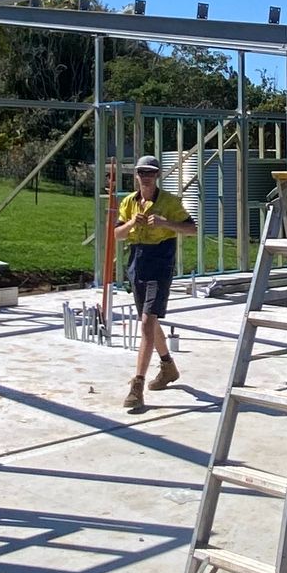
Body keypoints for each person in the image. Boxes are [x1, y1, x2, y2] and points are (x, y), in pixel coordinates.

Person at [115, 153, 195, 413]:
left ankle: (137, 385)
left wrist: (164, 223)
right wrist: (131, 223)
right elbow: (117, 234)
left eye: (150, 172)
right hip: (137, 261)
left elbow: (192, 229)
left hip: (161, 261)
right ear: (136, 175)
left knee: (147, 321)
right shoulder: (129, 202)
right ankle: (167, 366)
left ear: (158, 175)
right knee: (149, 321)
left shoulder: (170, 202)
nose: (146, 177)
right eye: (142, 172)